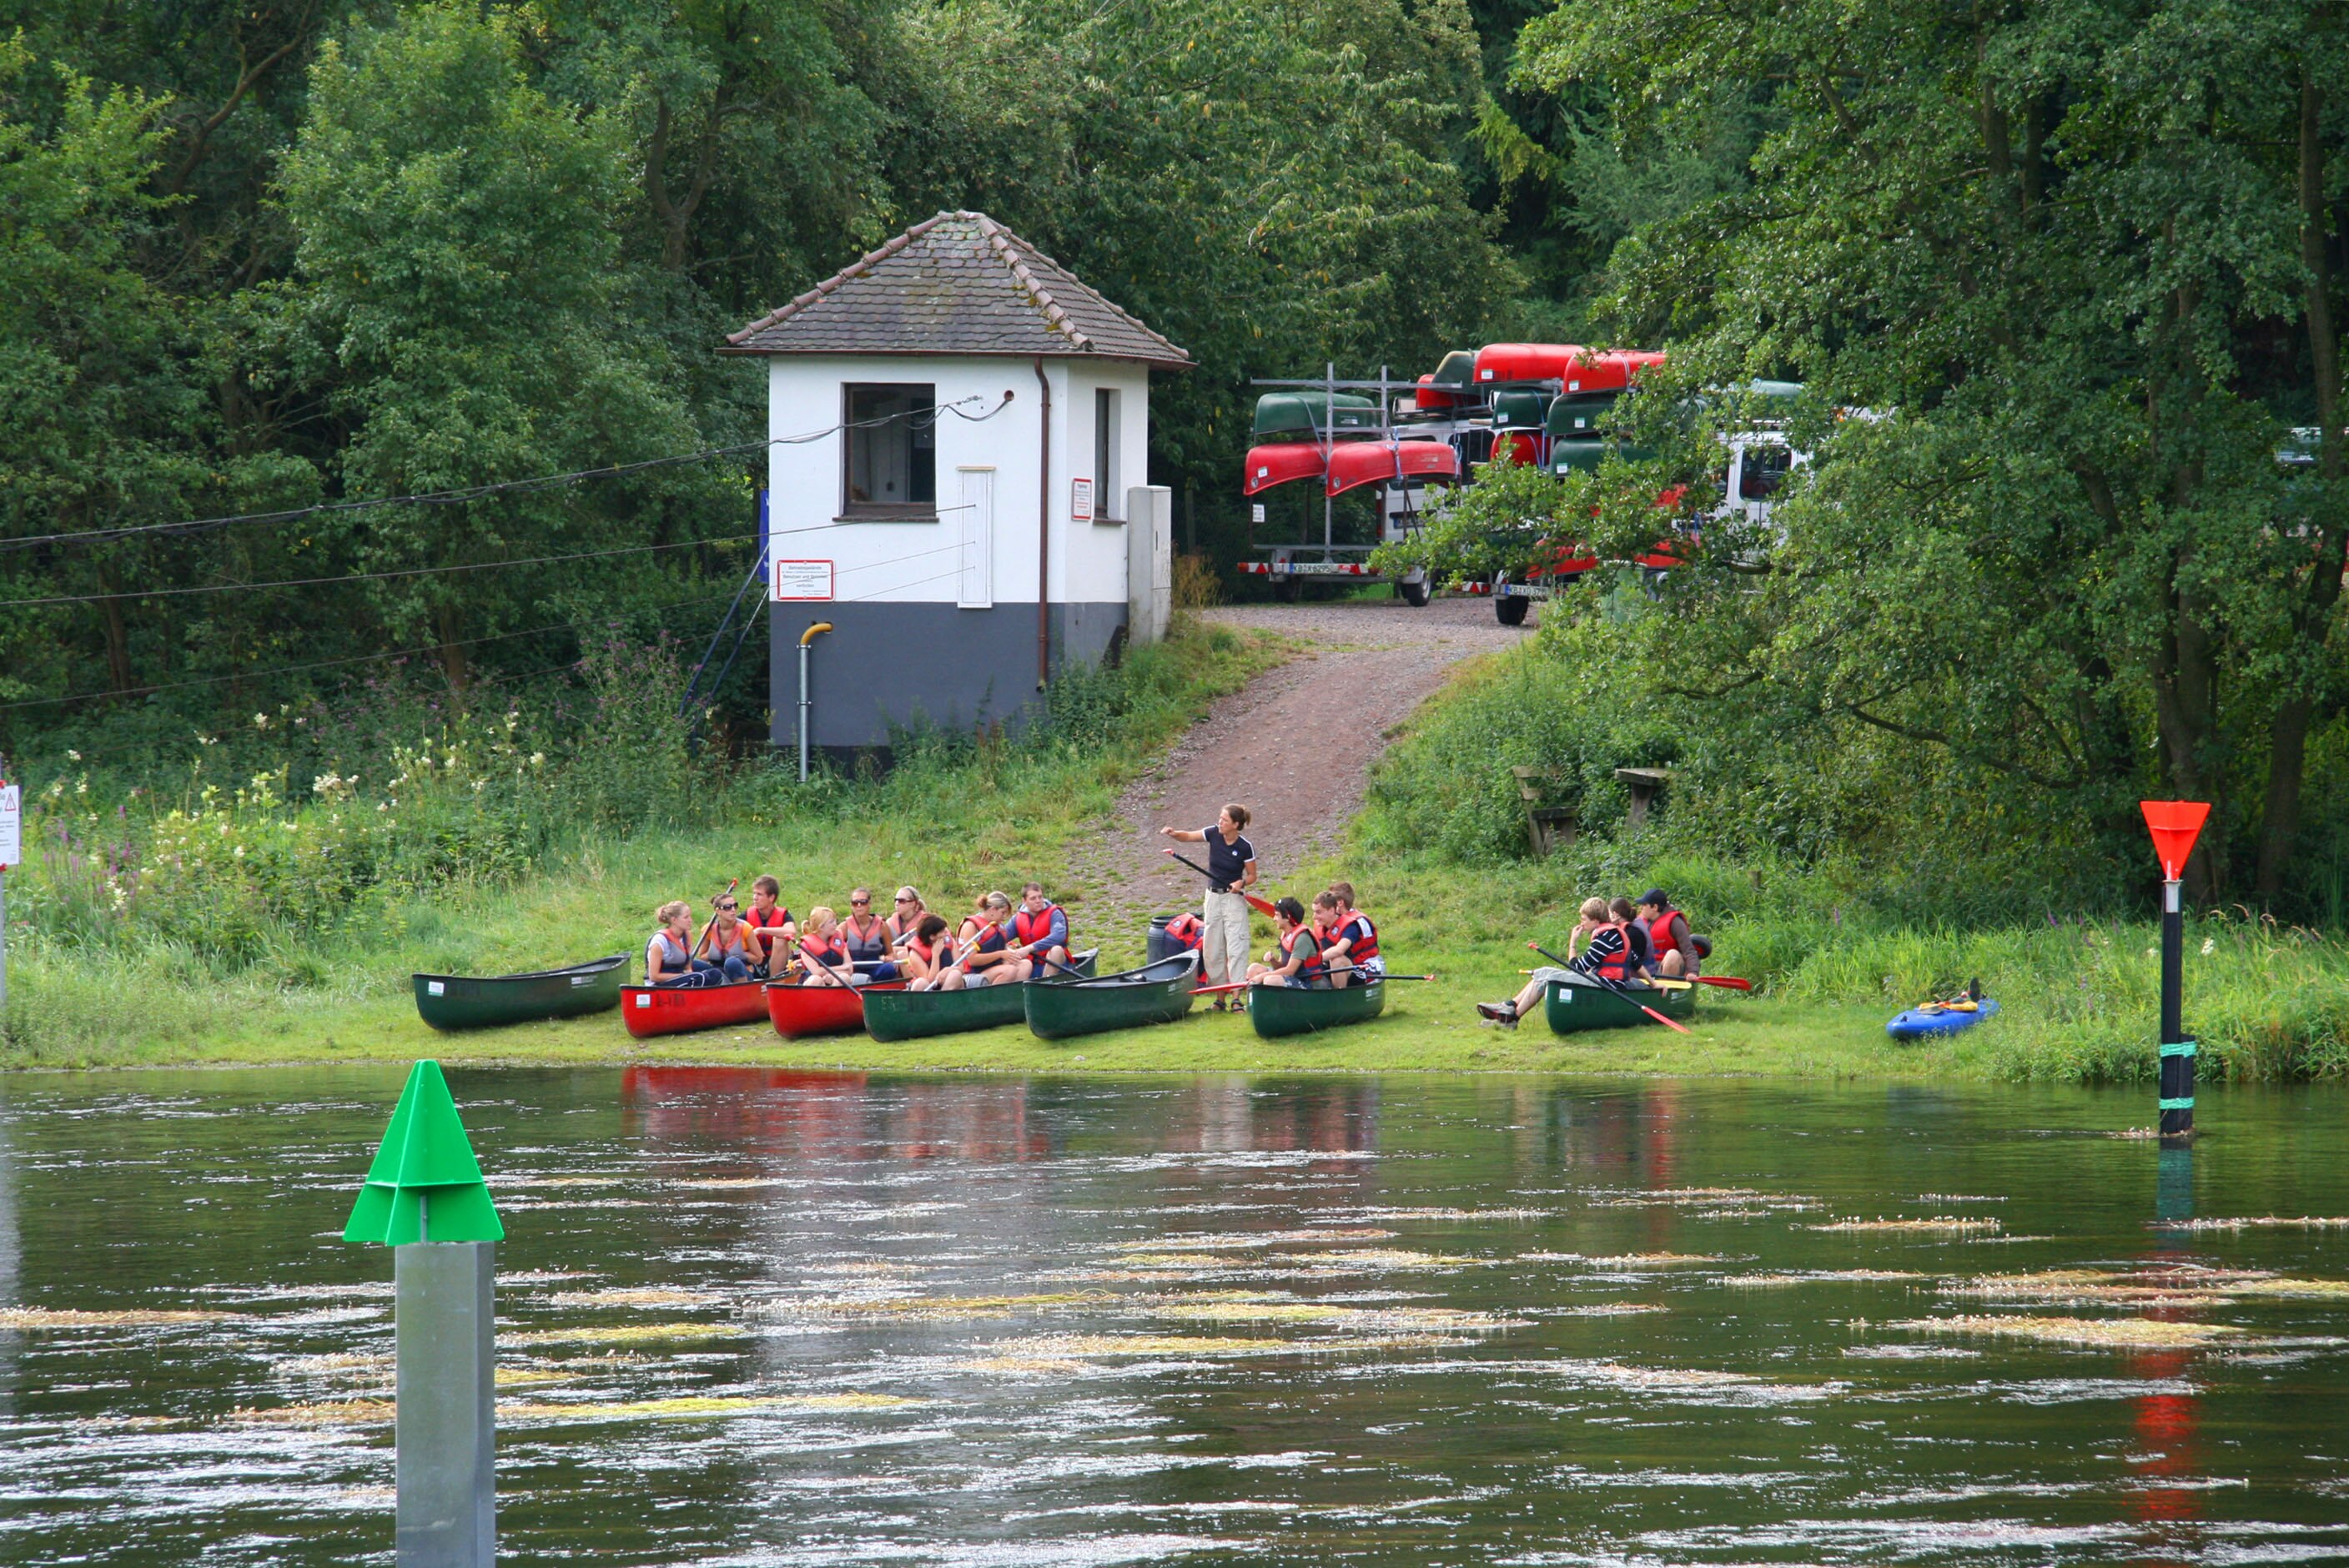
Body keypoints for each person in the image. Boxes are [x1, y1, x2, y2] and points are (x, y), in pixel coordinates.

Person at [1476, 897, 1632, 1028]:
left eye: (1584, 919)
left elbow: (1577, 969)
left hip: (1606, 984)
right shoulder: (1611, 934)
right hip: (1601, 979)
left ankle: (1511, 1019)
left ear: (1596, 920)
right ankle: (1509, 1008)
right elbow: (1636, 961)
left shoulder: (1606, 938)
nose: (1581, 923)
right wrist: (1653, 984)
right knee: (1543, 972)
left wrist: (1573, 942)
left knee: (1548, 976)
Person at [1160, 804, 1256, 997]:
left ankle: (1237, 997)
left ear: (1236, 825)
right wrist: (1173, 833)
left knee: (1236, 947)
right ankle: (1220, 998)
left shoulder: (1245, 847)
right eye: (1220, 818)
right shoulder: (1213, 833)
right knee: (1212, 950)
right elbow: (1188, 836)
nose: (1220, 822)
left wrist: (1242, 882)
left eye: (1225, 820)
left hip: (1233, 900)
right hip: (1212, 897)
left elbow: (1253, 875)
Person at [1246, 897, 1327, 988]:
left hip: (1308, 983)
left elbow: (1290, 971)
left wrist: (1263, 976)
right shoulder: (1286, 934)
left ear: (1287, 917)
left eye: (1277, 915)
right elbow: (1282, 966)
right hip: (1293, 977)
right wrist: (1273, 961)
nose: (1274, 919)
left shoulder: (1302, 938)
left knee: (1270, 980)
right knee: (1254, 969)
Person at [646, 901, 721, 988]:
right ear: (674, 920)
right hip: (659, 984)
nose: (690, 920)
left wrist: (688, 974)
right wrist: (683, 975)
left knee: (715, 973)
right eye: (686, 917)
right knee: (700, 977)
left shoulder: (687, 936)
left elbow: (688, 968)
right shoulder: (660, 941)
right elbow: (654, 976)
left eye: (690, 916)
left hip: (681, 977)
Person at [1323, 882, 1382, 986]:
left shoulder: (1353, 924)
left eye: (1331, 902)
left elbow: (1339, 950)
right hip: (1352, 964)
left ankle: (1340, 999)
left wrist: (1315, 960)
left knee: (1337, 960)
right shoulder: (1335, 921)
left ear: (1340, 903)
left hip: (1367, 969)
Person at [963, 892, 1025, 985]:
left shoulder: (998, 927)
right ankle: (990, 998)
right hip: (973, 974)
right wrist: (1000, 954)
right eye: (1003, 913)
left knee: (1025, 965)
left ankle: (1014, 996)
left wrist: (1011, 955)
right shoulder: (971, 926)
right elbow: (972, 960)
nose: (1004, 917)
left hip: (993, 968)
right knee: (1009, 970)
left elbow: (1002, 950)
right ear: (993, 909)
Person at [1637, 889, 1703, 977]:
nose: (1641, 908)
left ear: (1655, 908)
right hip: (1645, 969)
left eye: (1644, 905)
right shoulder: (1638, 922)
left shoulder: (1675, 922)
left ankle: (1667, 989)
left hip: (1666, 969)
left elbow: (1689, 950)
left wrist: (1693, 972)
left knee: (1673, 955)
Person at [1010, 882, 1072, 976]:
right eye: (1033, 898)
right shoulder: (1017, 918)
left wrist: (1030, 948)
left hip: (1056, 961)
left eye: (1040, 897)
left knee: (1056, 949)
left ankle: (1047, 984)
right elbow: (1002, 936)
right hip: (1031, 963)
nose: (1038, 901)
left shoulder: (1055, 914)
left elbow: (1059, 936)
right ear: (1024, 901)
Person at [694, 892, 757, 983]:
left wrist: (739, 954)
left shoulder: (745, 928)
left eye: (735, 906)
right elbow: (702, 955)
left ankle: (741, 991)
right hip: (719, 971)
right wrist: (717, 953)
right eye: (728, 907)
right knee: (693, 963)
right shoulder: (708, 929)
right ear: (718, 911)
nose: (733, 910)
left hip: (742, 971)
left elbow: (758, 958)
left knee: (732, 962)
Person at [792, 906, 862, 988]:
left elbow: (849, 969)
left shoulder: (840, 942)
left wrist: (832, 975)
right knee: (816, 980)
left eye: (835, 921)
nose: (835, 924)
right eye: (831, 922)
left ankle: (834, 998)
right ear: (821, 926)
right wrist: (841, 968)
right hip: (813, 979)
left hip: (836, 976)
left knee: (844, 977)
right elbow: (817, 972)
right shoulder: (806, 947)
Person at [739, 876, 796, 974]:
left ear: (771, 898)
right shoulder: (747, 915)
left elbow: (791, 932)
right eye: (754, 893)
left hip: (777, 963)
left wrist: (761, 930)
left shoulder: (783, 915)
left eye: (759, 894)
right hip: (755, 962)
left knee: (780, 939)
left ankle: (773, 982)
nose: (755, 898)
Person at [839, 887, 898, 981]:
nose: (859, 905)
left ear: (869, 904)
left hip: (875, 968)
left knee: (889, 969)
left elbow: (890, 952)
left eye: (863, 902)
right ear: (851, 906)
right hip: (852, 970)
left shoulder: (882, 926)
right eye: (855, 903)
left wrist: (888, 958)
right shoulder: (844, 927)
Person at [901, 913, 969, 992]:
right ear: (932, 937)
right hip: (930, 987)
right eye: (943, 932)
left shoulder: (950, 942)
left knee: (956, 974)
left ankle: (942, 1001)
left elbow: (961, 968)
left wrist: (949, 970)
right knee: (920, 983)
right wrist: (935, 955)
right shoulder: (915, 953)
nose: (946, 934)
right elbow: (930, 981)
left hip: (950, 985)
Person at [1611, 896, 1654, 979]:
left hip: (1642, 978)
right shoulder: (1632, 926)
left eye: (1609, 914)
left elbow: (1632, 962)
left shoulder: (1633, 932)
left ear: (1615, 915)